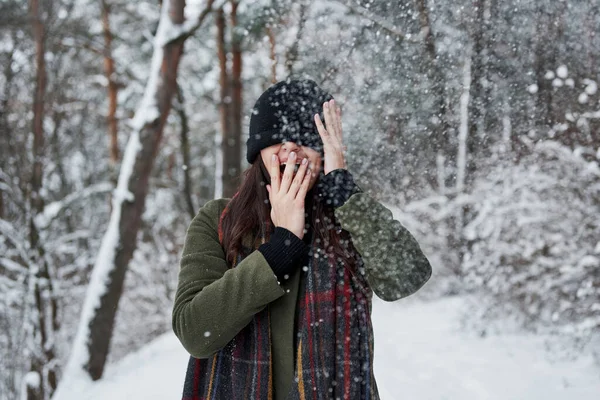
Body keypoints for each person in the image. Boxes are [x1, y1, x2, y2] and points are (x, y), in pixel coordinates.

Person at [172, 78, 432, 400]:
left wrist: (344, 191)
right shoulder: (219, 221)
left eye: (304, 137)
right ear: (258, 152)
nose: (290, 148)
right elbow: (196, 333)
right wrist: (281, 247)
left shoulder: (349, 219)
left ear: (326, 149)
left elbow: (406, 277)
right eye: (277, 138)